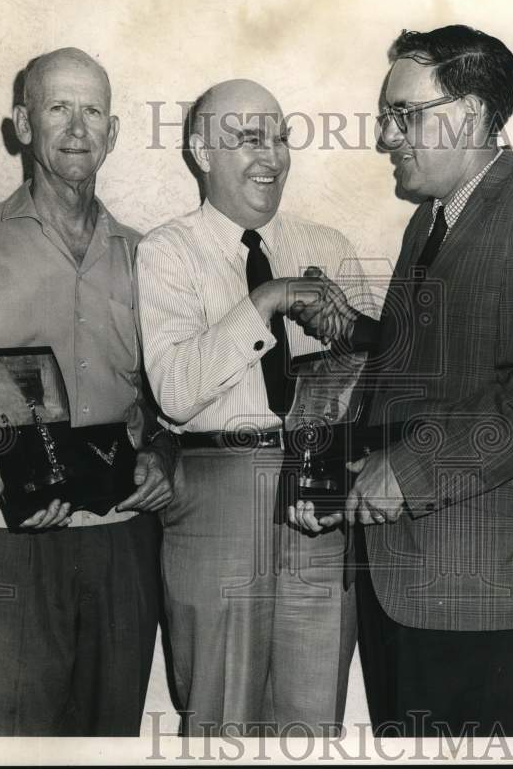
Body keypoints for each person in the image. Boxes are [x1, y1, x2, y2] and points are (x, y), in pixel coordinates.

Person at [291, 25, 513, 736]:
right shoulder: (427, 224)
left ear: (467, 114)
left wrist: (400, 476)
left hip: (472, 590)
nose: (385, 136)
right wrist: (359, 332)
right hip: (400, 580)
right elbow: (442, 364)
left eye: (403, 114)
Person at [0, 48, 176, 736]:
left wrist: (165, 457)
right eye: (58, 107)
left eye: (93, 111)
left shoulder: (151, 259)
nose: (77, 127)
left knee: (109, 740)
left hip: (121, 544)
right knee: (10, 745)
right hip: (6, 544)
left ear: (113, 133)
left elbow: (176, 404)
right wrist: (8, 463)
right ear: (23, 124)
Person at [134, 79, 376, 735]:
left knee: (313, 719)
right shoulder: (166, 252)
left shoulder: (328, 245)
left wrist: (358, 332)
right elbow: (177, 392)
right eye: (247, 138)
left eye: (279, 136)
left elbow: (371, 382)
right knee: (220, 721)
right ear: (201, 153)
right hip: (217, 492)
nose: (271, 154)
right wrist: (266, 300)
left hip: (321, 499)